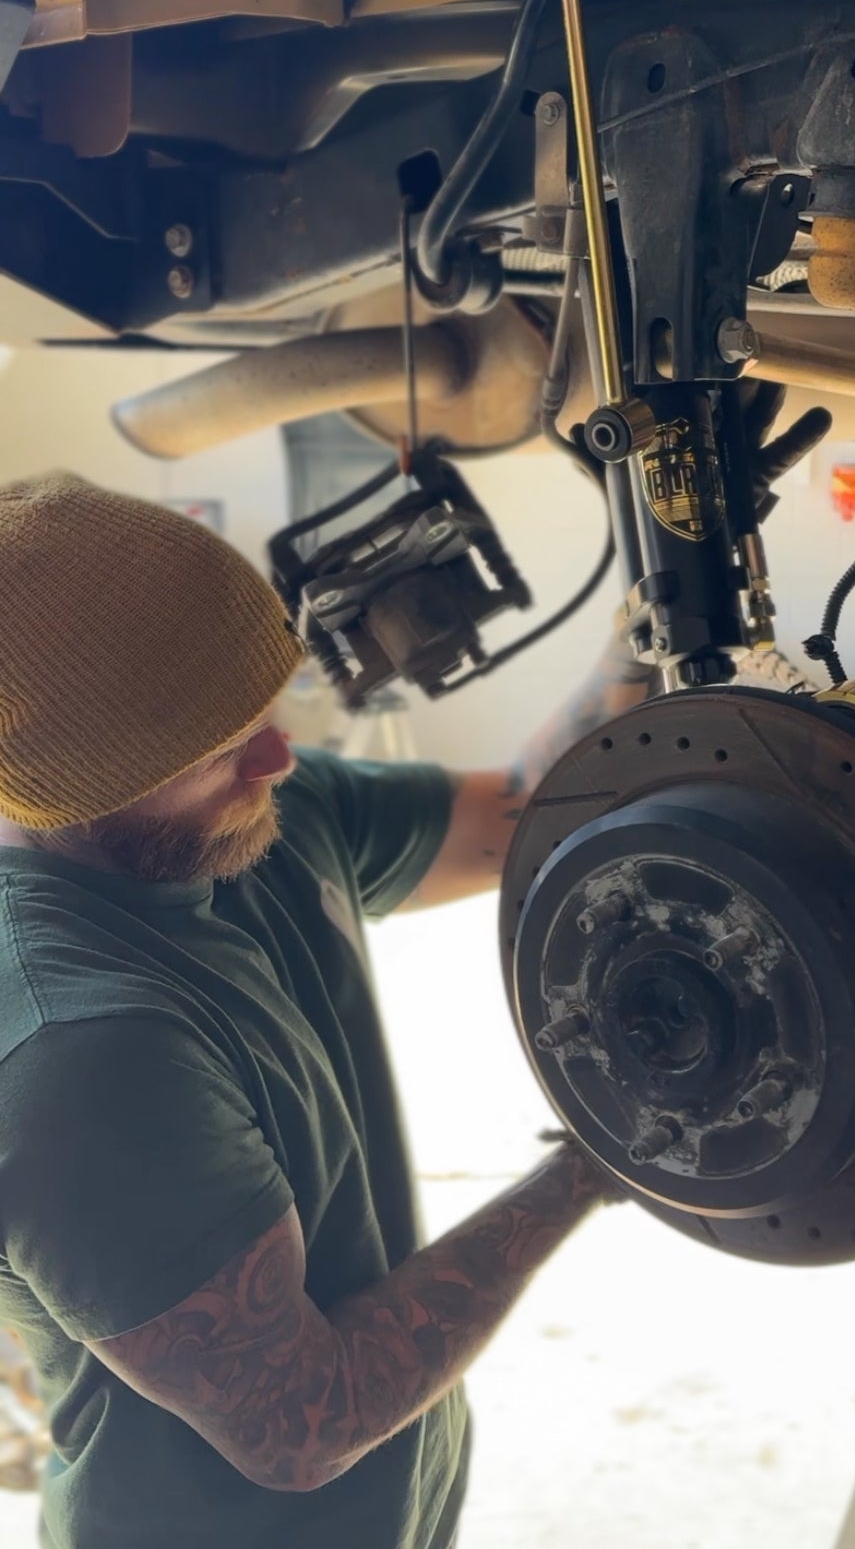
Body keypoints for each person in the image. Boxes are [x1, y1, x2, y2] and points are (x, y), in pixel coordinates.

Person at [0, 472, 649, 1549]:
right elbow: (306, 1423)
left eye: (266, 707)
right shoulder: (82, 1057)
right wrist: (589, 1164)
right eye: (221, 744)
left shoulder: (245, 816)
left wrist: (648, 615)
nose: (277, 754)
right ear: (79, 792)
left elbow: (516, 816)